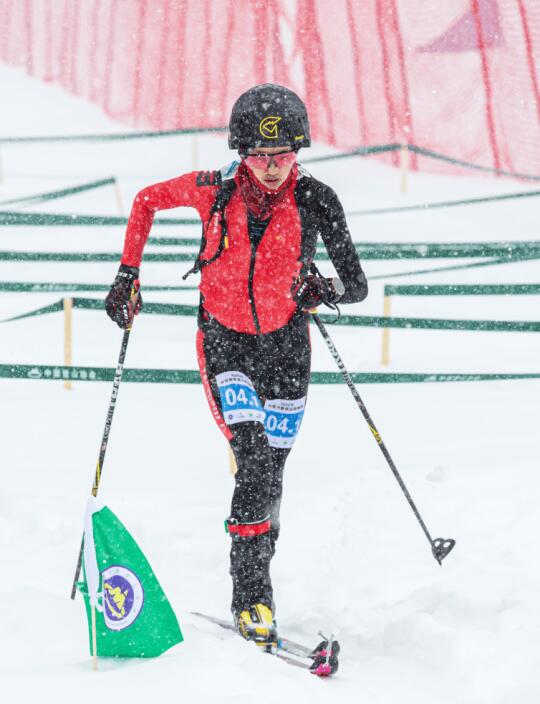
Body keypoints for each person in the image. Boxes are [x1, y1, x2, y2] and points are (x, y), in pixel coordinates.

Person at [105, 84, 368, 648]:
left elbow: (358, 284)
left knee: (270, 471)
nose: (273, 168)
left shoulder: (318, 199)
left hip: (287, 349)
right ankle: (252, 598)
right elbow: (147, 200)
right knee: (251, 455)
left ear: (299, 151)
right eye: (260, 156)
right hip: (225, 343)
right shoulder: (211, 191)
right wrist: (129, 273)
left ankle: (257, 563)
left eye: (284, 155)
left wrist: (326, 288)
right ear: (240, 153)